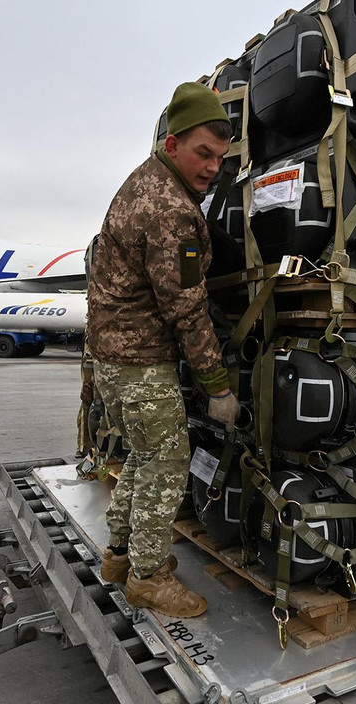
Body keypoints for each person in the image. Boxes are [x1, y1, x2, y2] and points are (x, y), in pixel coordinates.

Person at [86, 82, 241, 618]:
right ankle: (148, 577)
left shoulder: (144, 181)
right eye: (203, 153)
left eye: (220, 158)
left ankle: (120, 554)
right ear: (173, 144)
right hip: (141, 363)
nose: (212, 167)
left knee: (143, 456)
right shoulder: (171, 211)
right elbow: (187, 308)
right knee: (167, 463)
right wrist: (217, 386)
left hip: (113, 358)